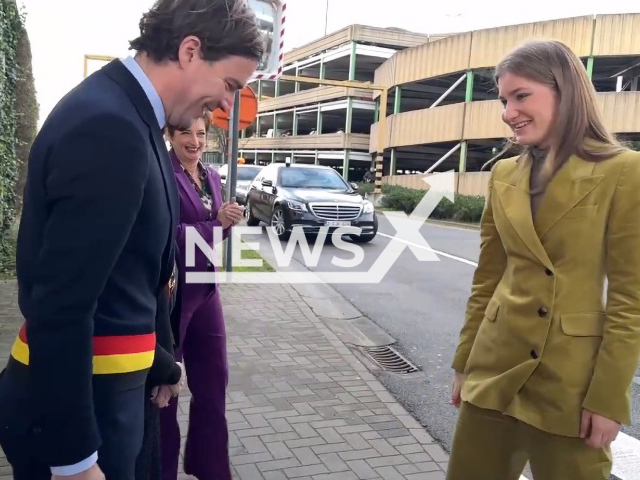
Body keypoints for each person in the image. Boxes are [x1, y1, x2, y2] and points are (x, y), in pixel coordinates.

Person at [0, 0, 263, 478]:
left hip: (118, 390)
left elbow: (130, 274)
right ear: (189, 50)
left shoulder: (133, 120)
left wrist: (161, 362)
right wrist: (74, 459)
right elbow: (62, 303)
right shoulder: (110, 127)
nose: (228, 106)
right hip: (86, 415)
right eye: (229, 85)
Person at [447, 38, 640, 480]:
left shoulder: (623, 171)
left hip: (569, 384)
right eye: (502, 99)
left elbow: (630, 299)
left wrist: (609, 398)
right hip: (493, 370)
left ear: (564, 91)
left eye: (520, 96)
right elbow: (487, 278)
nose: (507, 111)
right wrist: (465, 365)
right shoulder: (502, 174)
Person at [159, 113, 244, 480]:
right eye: (185, 133)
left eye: (201, 133)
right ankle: (160, 471)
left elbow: (213, 236)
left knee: (214, 382)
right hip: (173, 296)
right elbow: (165, 235)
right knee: (166, 388)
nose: (194, 141)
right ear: (170, 134)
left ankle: (209, 468)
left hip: (206, 290)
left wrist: (226, 221)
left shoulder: (210, 176)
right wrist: (215, 225)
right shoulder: (161, 171)